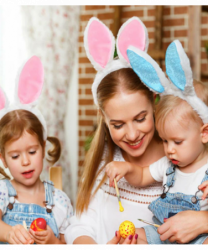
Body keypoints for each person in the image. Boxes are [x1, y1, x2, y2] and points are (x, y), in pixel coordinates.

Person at [65, 17, 208, 246]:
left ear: (154, 101)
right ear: (104, 118)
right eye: (118, 125)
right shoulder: (107, 163)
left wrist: (203, 220)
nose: (131, 135)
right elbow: (81, 224)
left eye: (140, 119)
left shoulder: (183, 157)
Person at [106, 40, 208, 245]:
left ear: (204, 133)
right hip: (162, 234)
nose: (169, 150)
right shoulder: (168, 166)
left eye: (177, 142)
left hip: (199, 237)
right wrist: (126, 167)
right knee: (135, 236)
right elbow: (142, 175)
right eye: (164, 140)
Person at [0, 56, 73, 245]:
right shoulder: (2, 192)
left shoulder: (60, 201)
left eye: (32, 152)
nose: (25, 161)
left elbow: (67, 242)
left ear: (43, 148)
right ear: (3, 158)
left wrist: (53, 241)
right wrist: (8, 233)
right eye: (15, 156)